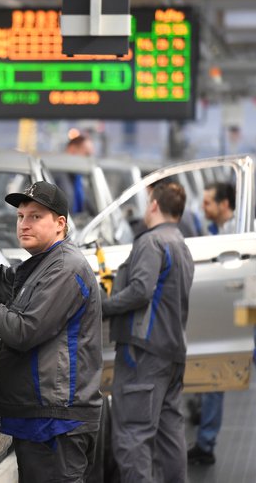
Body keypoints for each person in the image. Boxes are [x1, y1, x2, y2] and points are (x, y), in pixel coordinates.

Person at [0, 181, 103, 483]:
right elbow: (10, 286)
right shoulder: (45, 262)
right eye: (20, 216)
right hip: (43, 416)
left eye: (36, 216)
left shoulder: (66, 269)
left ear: (60, 223)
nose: (24, 224)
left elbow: (23, 330)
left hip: (57, 421)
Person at [101, 181, 195, 482]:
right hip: (173, 353)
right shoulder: (180, 243)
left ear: (153, 204)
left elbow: (141, 290)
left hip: (142, 354)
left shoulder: (150, 242)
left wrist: (103, 306)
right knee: (170, 433)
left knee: (133, 435)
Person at [188, 181, 256, 465]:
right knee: (215, 376)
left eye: (208, 201)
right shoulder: (217, 233)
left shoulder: (255, 230)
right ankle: (205, 444)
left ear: (224, 204)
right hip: (229, 312)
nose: (203, 207)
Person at [54, 135, 95, 216]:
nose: (90, 159)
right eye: (87, 154)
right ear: (72, 150)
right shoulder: (55, 175)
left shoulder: (80, 177)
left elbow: (90, 207)